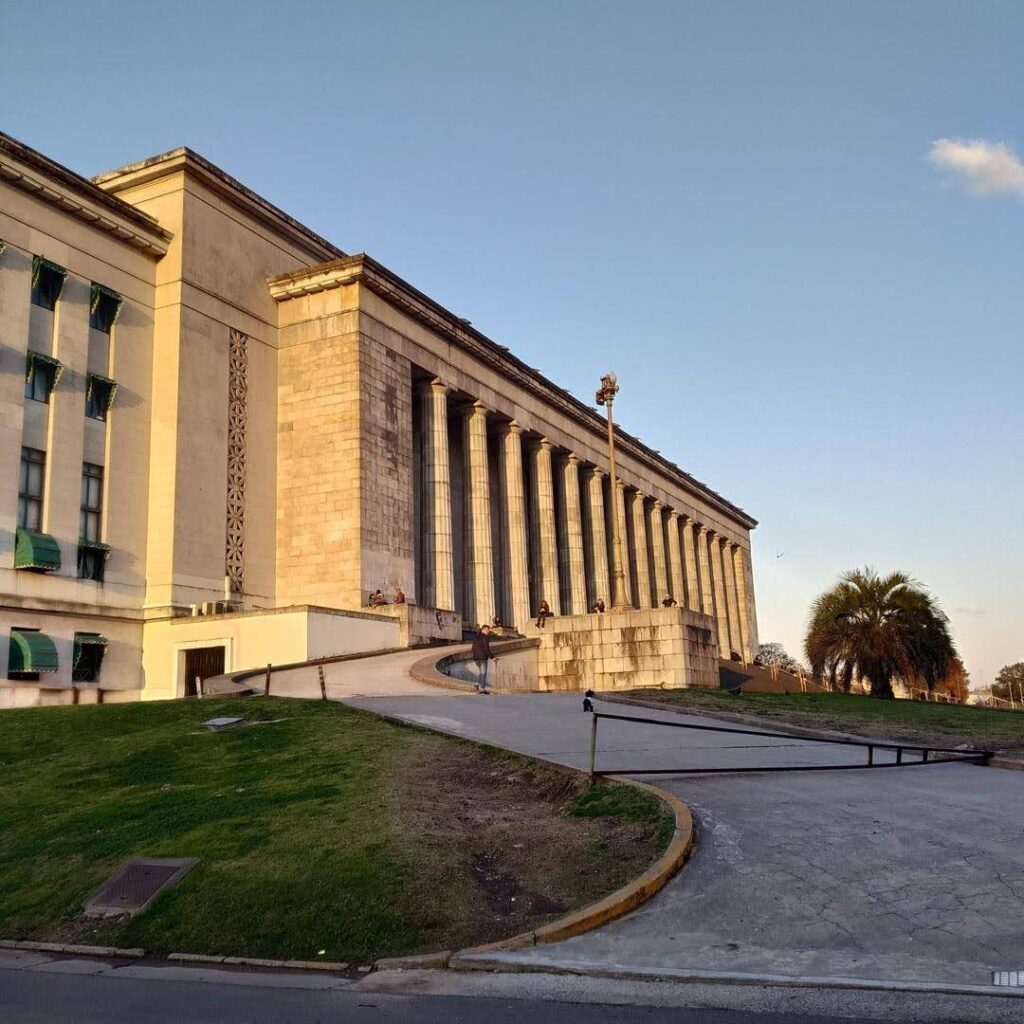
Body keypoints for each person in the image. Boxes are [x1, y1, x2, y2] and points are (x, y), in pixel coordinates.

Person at [471, 625, 498, 694]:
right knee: (483, 673)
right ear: (483, 630)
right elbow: (487, 649)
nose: (488, 632)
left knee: (481, 671)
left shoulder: (476, 637)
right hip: (482, 658)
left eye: (488, 630)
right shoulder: (485, 637)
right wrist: (492, 657)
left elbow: (473, 648)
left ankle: (477, 684)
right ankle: (482, 689)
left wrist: (474, 657)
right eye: (487, 630)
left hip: (476, 658)